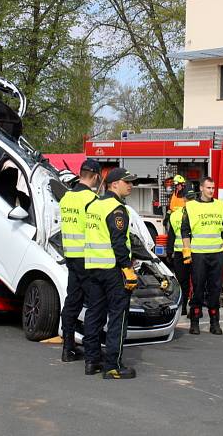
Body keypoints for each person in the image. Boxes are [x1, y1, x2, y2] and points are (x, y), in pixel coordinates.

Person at [83, 167, 138, 379]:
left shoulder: (93, 205)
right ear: (114, 184)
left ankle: (91, 361)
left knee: (94, 315)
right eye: (127, 182)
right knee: (117, 317)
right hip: (113, 272)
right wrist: (128, 270)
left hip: (93, 269)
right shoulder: (116, 209)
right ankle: (113, 366)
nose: (131, 185)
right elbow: (118, 243)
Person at [181, 176, 223, 335]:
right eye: (208, 188)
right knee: (198, 288)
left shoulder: (221, 205)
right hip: (199, 255)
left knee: (215, 289)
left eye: (213, 188)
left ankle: (215, 322)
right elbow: (185, 230)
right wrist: (187, 251)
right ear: (201, 188)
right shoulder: (191, 206)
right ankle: (195, 321)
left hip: (217, 255)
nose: (211, 191)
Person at [58, 158, 100, 363]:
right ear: (95, 176)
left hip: (71, 257)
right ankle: (93, 352)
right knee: (95, 304)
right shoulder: (91, 200)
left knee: (72, 302)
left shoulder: (66, 198)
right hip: (88, 258)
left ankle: (68, 348)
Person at [166, 190, 195, 316]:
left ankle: (191, 307)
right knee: (185, 282)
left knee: (192, 281)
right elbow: (171, 235)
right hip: (183, 253)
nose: (191, 201)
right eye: (189, 199)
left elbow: (171, 236)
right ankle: (184, 307)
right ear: (184, 199)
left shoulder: (178, 215)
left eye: (192, 199)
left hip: (193, 253)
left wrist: (169, 252)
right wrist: (169, 251)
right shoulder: (176, 215)